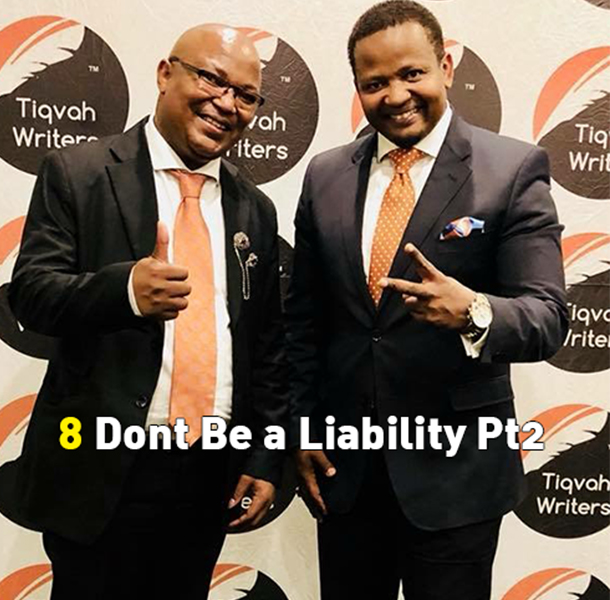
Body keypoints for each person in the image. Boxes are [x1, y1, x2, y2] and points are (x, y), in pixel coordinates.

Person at [285, 1, 568, 599]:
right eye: (375, 83)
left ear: (446, 66)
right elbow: (304, 322)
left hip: (457, 479)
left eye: (411, 73)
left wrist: (474, 312)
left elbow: (547, 317)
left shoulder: (511, 169)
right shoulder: (325, 175)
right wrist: (304, 429)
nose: (395, 95)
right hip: (347, 475)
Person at [0, 24, 287, 600]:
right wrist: (125, 292)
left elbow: (266, 347)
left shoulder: (255, 209)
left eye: (246, 95)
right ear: (165, 74)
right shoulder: (78, 173)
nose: (226, 103)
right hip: (101, 467)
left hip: (208, 472)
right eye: (212, 79)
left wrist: (264, 455)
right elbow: (30, 294)